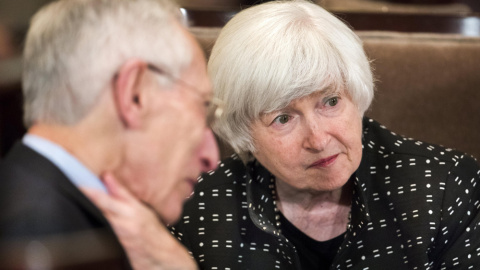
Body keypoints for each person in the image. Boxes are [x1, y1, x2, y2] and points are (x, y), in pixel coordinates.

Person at [167, 1, 480, 269]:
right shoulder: (196, 206)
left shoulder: (445, 189)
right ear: (242, 130)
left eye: (330, 102)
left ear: (356, 95)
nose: (317, 140)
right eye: (283, 118)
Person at [0, 0, 219, 269]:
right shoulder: (47, 239)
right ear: (135, 94)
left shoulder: (32, 194)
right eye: (203, 107)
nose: (212, 158)